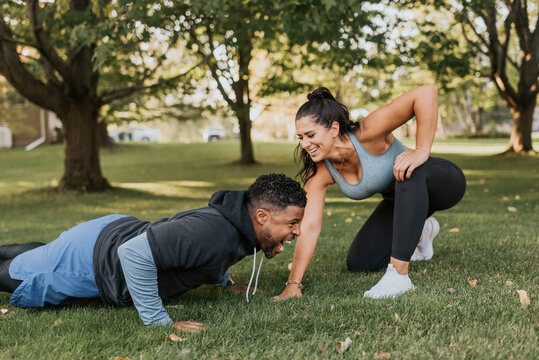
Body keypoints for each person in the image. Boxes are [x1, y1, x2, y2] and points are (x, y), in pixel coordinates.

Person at [0, 173, 306, 329]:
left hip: (107, 233)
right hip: (92, 259)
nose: (297, 231)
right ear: (262, 216)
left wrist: (224, 282)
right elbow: (133, 254)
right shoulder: (214, 233)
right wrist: (158, 320)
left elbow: (212, 253)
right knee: (16, 272)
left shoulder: (243, 225)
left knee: (33, 256)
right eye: (292, 222)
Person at [272, 86, 466, 301]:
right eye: (300, 137)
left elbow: (426, 93)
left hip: (442, 184)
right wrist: (293, 284)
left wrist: (421, 151)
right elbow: (309, 226)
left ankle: (398, 276)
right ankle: (422, 232)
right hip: (402, 203)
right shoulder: (319, 172)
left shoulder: (368, 132)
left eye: (310, 135)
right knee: (361, 263)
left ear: (334, 129)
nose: (305, 144)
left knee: (408, 170)